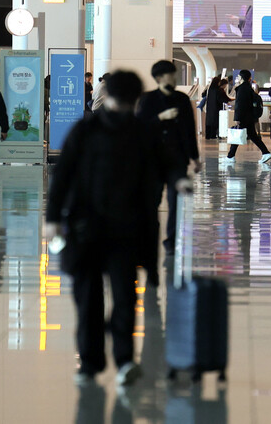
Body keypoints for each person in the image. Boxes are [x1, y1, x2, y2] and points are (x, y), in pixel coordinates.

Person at [44, 70, 174, 388]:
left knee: (125, 299)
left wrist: (178, 179)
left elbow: (163, 165)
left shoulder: (142, 132)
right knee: (89, 300)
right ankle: (90, 363)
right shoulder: (86, 130)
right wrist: (52, 219)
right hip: (87, 229)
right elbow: (62, 176)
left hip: (125, 231)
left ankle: (125, 360)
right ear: (110, 97)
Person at [136, 60, 200, 258]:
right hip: (152, 161)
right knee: (151, 203)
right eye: (170, 74)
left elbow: (189, 130)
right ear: (159, 78)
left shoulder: (182, 99)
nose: (174, 77)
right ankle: (148, 239)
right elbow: (139, 128)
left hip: (176, 160)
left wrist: (195, 157)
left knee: (175, 202)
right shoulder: (148, 100)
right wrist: (160, 117)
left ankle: (170, 241)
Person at [223, 70, 271, 166]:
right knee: (252, 135)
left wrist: (237, 118)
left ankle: (230, 156)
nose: (237, 79)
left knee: (238, 134)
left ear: (241, 78)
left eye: (238, 77)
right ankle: (265, 153)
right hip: (249, 117)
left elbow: (240, 105)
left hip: (244, 117)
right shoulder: (248, 88)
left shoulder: (242, 89)